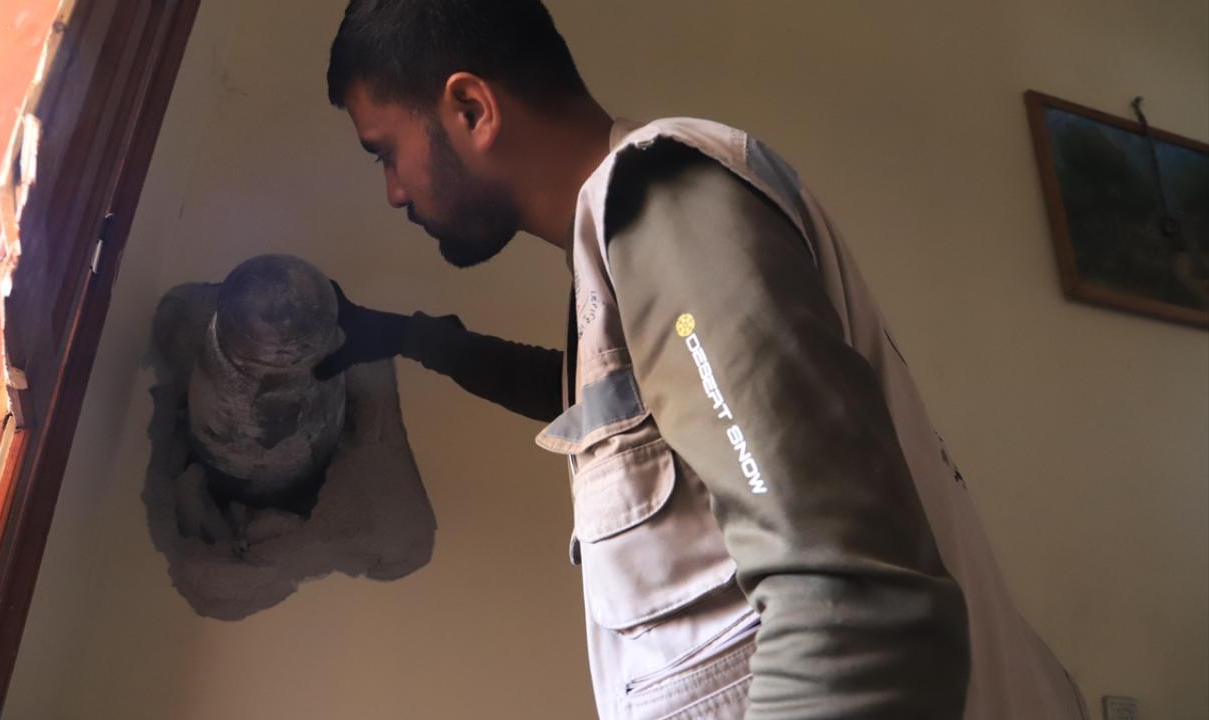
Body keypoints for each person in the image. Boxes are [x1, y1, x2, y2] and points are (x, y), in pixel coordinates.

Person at [318, 2, 1088, 718]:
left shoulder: (660, 201)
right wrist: (415, 339)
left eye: (385, 152)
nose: (392, 192)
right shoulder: (625, 250)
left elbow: (850, 606)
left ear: (471, 109)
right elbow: (625, 415)